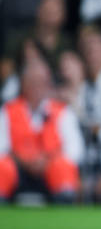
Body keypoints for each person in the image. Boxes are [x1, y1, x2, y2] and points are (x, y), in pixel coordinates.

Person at [0, 60, 85, 204]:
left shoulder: (63, 112)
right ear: (24, 84)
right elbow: (2, 147)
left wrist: (46, 160)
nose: (38, 87)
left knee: (63, 166)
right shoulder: (7, 111)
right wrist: (26, 162)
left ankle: (65, 205)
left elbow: (75, 150)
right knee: (3, 166)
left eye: (42, 82)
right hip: (18, 168)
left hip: (50, 169)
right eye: (33, 82)